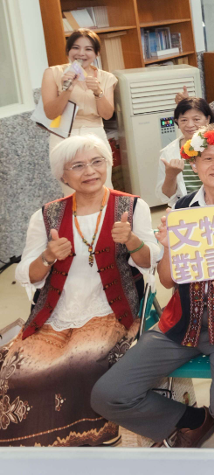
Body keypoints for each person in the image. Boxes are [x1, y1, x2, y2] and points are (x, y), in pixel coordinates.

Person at [92, 126, 214, 449]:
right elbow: (168, 280)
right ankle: (192, 420)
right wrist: (169, 246)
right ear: (194, 166)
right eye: (207, 158)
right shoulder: (182, 209)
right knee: (108, 395)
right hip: (182, 322)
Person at [1, 135, 157, 446]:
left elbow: (151, 261)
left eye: (97, 162)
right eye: (78, 165)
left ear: (108, 165)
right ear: (63, 175)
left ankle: (92, 442)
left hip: (111, 311)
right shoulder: (45, 216)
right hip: (55, 312)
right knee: (12, 374)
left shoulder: (131, 206)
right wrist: (46, 257)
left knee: (81, 366)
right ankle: (32, 451)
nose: (90, 171)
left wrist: (131, 241)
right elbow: (26, 273)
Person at [41, 29, 118, 188]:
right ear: (68, 51)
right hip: (63, 135)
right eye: (75, 48)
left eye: (88, 49)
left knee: (103, 186)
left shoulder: (106, 78)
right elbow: (50, 113)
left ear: (96, 54)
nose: (81, 53)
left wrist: (98, 91)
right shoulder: (53, 73)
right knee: (72, 189)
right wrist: (67, 89)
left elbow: (107, 114)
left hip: (95, 133)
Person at [157, 98, 214, 207]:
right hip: (186, 209)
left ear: (207, 119)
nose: (190, 125)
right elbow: (165, 197)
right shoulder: (168, 153)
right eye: (183, 120)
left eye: (196, 119)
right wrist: (171, 175)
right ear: (177, 121)